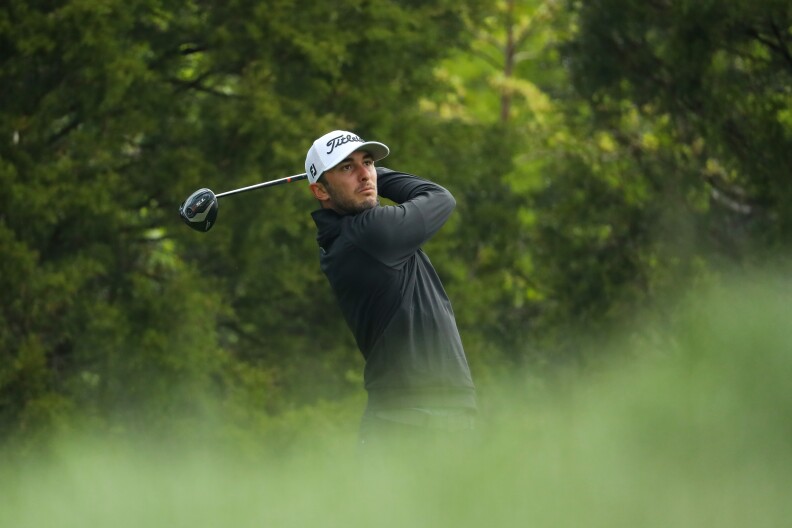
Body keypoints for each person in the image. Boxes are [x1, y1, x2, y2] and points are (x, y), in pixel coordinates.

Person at [305, 130, 477, 453]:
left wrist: (362, 176)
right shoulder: (370, 234)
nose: (363, 174)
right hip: (409, 422)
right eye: (346, 168)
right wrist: (379, 176)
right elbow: (439, 197)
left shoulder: (348, 235)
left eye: (367, 162)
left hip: (432, 416)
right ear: (320, 191)